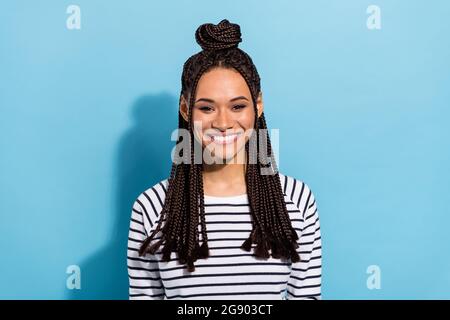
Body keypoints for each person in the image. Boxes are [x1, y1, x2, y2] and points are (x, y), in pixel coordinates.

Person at [127, 19, 322, 300]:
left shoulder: (298, 199)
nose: (223, 122)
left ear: (258, 105)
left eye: (237, 106)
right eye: (206, 107)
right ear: (185, 108)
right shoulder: (150, 208)